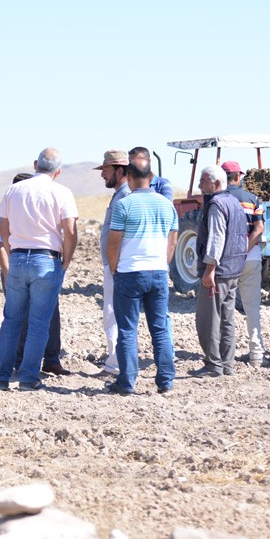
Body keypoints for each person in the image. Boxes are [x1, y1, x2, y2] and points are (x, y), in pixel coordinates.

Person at [0, 148, 79, 391]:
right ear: (58, 171)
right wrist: (65, 261)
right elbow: (70, 232)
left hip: (18, 258)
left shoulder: (13, 190)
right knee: (40, 322)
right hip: (46, 260)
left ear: (34, 165)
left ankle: (1, 376)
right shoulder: (62, 192)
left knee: (12, 321)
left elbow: (4, 230)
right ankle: (28, 378)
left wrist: (13, 252)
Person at [105, 157, 179, 394]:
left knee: (127, 329)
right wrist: (162, 264)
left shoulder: (124, 204)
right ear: (151, 176)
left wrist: (115, 269)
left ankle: (126, 382)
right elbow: (173, 240)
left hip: (129, 273)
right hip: (157, 272)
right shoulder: (167, 204)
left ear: (129, 176)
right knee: (160, 328)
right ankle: (166, 381)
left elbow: (113, 244)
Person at [192, 164, 248, 377]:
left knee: (208, 319)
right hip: (233, 269)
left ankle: (213, 365)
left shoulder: (216, 204)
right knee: (227, 318)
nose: (199, 185)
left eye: (203, 181)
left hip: (219, 272)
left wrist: (209, 270)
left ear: (216, 184)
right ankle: (227, 364)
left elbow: (216, 239)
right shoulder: (233, 202)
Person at [221, 160, 266, 368]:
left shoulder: (218, 199)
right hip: (251, 258)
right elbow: (258, 229)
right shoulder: (252, 199)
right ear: (238, 177)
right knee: (252, 307)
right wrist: (245, 250)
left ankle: (225, 354)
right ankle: (257, 355)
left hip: (226, 261)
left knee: (225, 307)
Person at [96, 149, 131, 378]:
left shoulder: (126, 196)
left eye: (106, 170)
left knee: (114, 314)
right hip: (115, 264)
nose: (102, 176)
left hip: (118, 265)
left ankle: (115, 364)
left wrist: (113, 264)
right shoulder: (119, 194)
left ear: (120, 170)